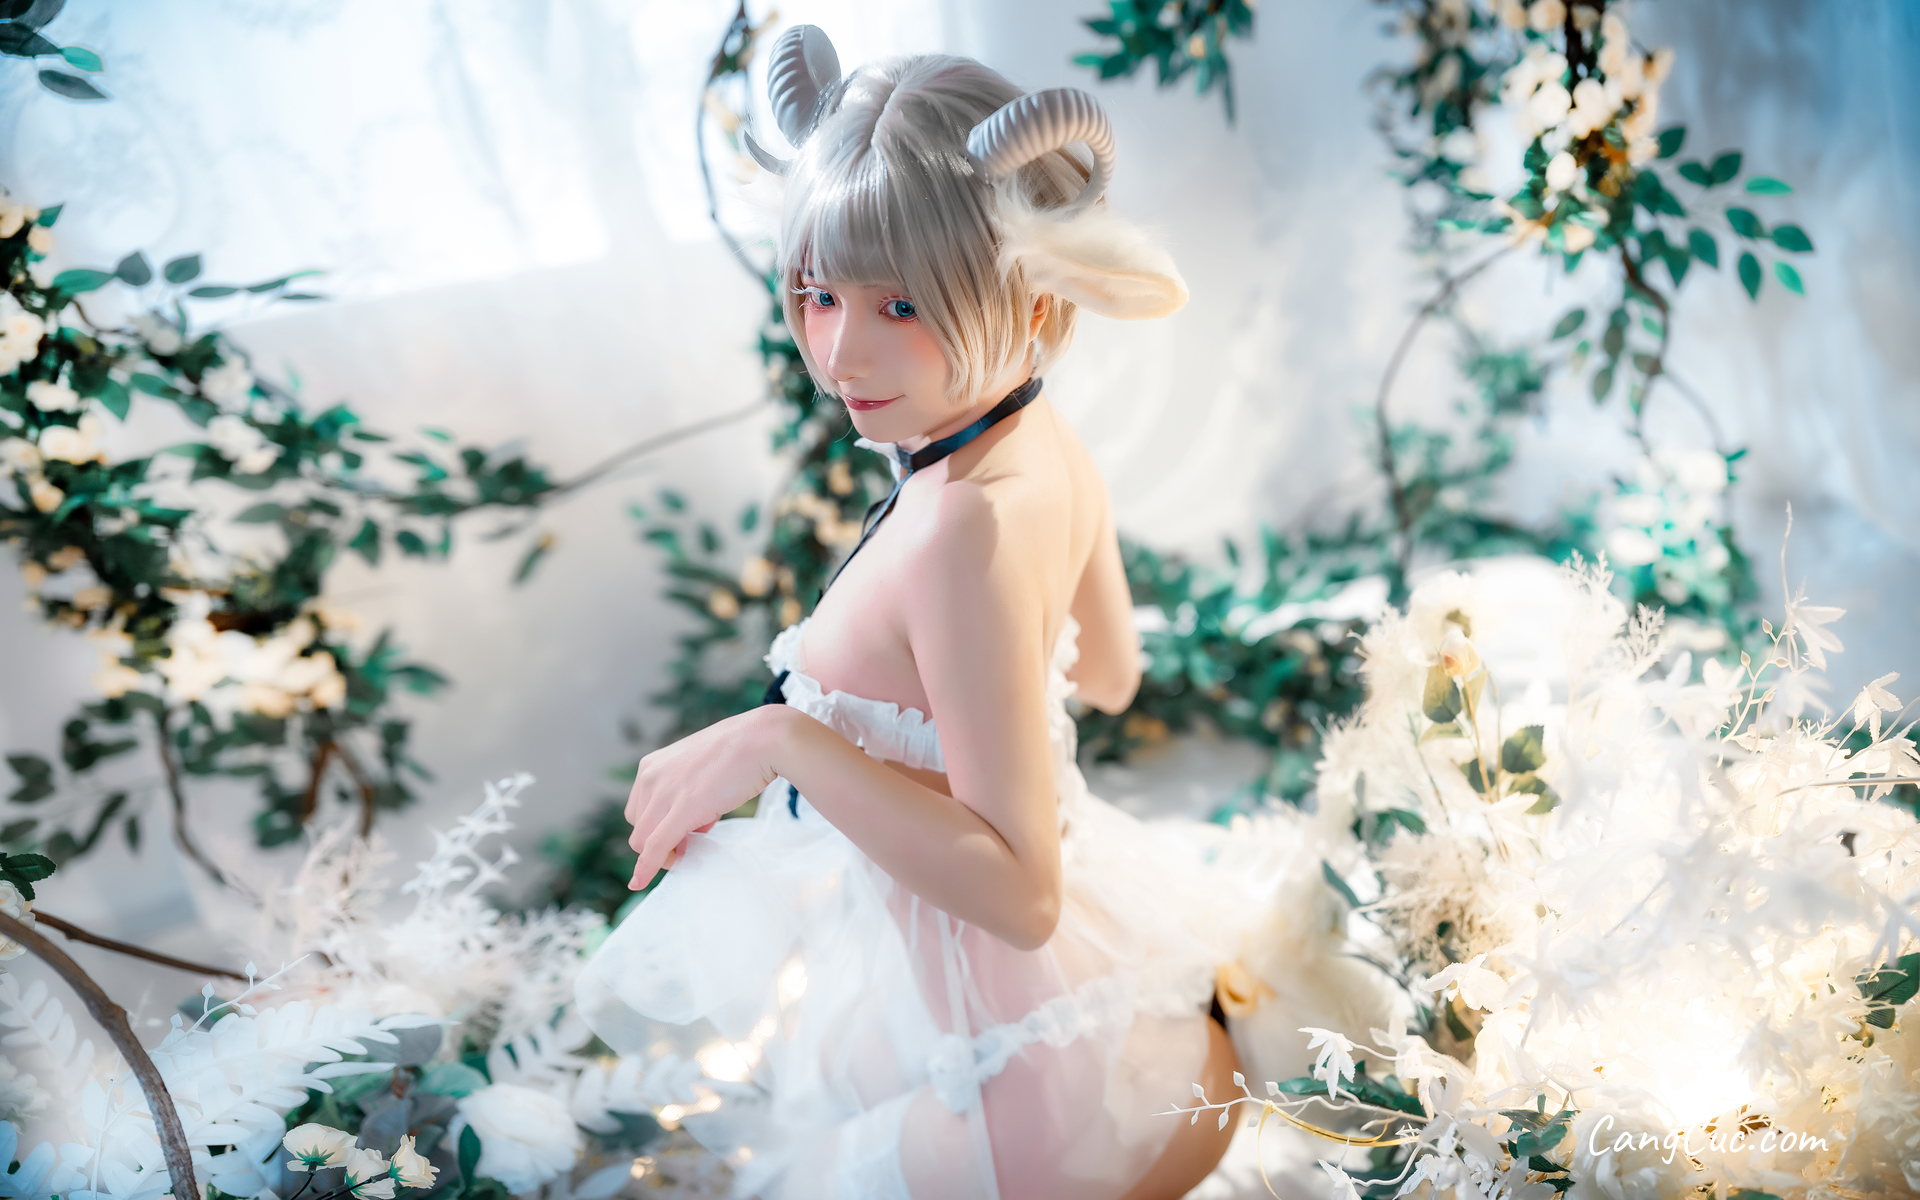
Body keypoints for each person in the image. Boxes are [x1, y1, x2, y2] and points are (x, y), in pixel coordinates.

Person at [576, 27, 1244, 1199]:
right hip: (1087, 1002)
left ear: (1025, 292)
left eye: (899, 305)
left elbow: (1021, 898)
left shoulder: (955, 529)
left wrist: (783, 739)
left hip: (1011, 1077)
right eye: (820, 294)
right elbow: (1111, 677)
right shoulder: (1036, 438)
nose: (840, 353)